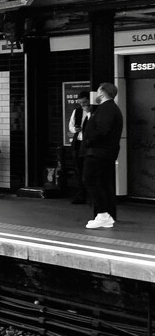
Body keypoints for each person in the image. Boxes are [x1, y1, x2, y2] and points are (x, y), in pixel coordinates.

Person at [82, 82, 123, 229]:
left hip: (98, 152)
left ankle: (103, 214)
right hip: (106, 153)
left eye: (98, 92)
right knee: (103, 182)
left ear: (102, 93)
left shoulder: (106, 109)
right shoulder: (112, 109)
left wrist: (87, 140)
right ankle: (106, 215)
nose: (96, 95)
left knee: (90, 179)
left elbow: (101, 130)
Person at [67, 90, 91, 204]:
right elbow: (70, 126)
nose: (83, 105)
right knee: (78, 169)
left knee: (88, 170)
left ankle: (90, 194)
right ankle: (81, 194)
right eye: (81, 103)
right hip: (78, 142)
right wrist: (74, 130)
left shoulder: (93, 112)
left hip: (88, 144)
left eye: (85, 102)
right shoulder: (76, 111)